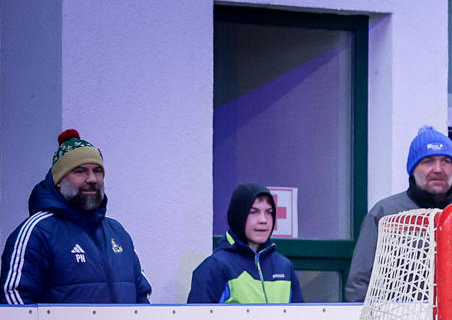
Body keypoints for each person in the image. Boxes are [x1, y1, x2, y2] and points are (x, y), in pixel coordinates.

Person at [2, 130, 151, 305]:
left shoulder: (117, 232)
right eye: (80, 171)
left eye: (97, 171)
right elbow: (13, 300)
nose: (92, 179)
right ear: (59, 181)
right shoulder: (38, 232)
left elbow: (142, 299)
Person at [344, 125, 452, 302]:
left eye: (446, 161)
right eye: (428, 161)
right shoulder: (384, 214)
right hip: (398, 319)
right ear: (413, 169)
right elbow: (359, 285)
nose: (438, 169)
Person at [187, 183, 305, 303]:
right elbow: (197, 315)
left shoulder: (284, 267)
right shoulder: (214, 268)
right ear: (238, 216)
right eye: (254, 212)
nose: (263, 220)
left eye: (269, 212)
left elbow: (300, 315)